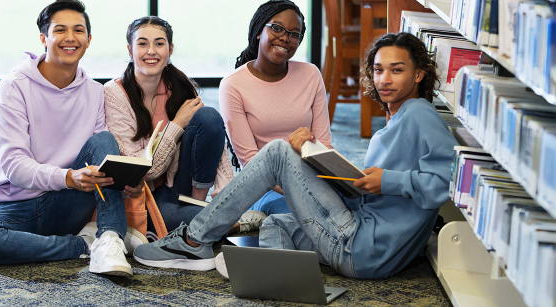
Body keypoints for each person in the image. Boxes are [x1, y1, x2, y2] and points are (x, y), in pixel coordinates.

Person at [132, 32, 459, 279]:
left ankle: (193, 240)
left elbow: (448, 183)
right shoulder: (398, 118)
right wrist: (316, 155)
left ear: (418, 75)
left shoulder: (419, 113)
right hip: (365, 240)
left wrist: (387, 179)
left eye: (396, 70)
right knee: (277, 223)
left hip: (360, 245)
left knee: (277, 153)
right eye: (378, 70)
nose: (384, 79)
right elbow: (372, 191)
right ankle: (277, 279)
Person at [0, 0, 136, 277]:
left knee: (105, 141)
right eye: (60, 30)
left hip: (67, 201)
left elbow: (99, 153)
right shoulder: (12, 88)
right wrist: (68, 177)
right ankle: (82, 245)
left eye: (78, 30)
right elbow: (14, 166)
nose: (71, 38)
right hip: (15, 205)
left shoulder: (94, 92)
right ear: (44, 38)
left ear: (88, 39)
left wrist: (124, 180)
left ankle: (109, 240)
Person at [103, 16, 235, 238]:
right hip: (143, 195)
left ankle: (198, 207)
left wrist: (228, 199)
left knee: (209, 116)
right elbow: (143, 171)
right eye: (142, 43)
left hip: (180, 187)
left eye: (159, 43)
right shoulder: (115, 94)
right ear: (130, 50)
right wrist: (177, 124)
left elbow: (215, 142)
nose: (151, 51)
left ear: (170, 49)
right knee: (197, 220)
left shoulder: (180, 86)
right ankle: (205, 220)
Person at [220, 0, 333, 227]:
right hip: (263, 187)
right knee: (309, 217)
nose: (285, 38)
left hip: (310, 177)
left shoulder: (311, 74)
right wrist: (302, 190)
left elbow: (324, 145)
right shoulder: (233, 85)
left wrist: (322, 185)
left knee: (353, 203)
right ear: (259, 30)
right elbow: (250, 162)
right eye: (277, 28)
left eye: (294, 34)